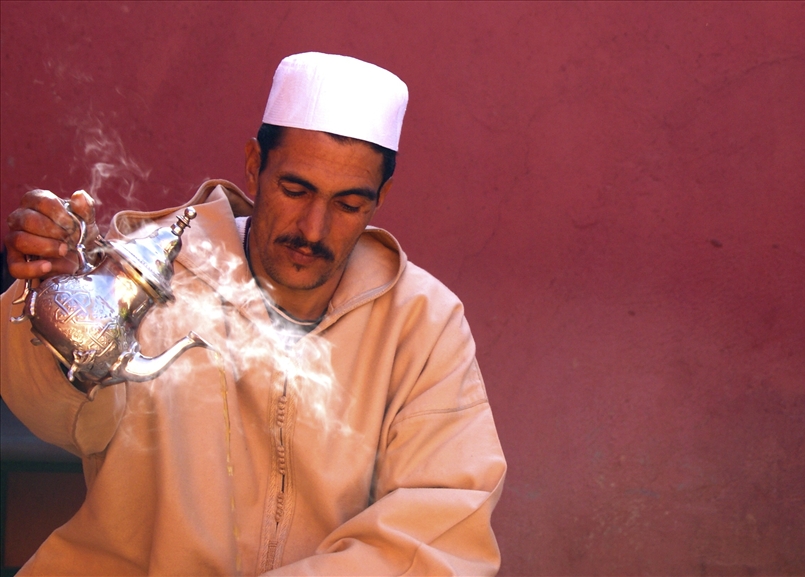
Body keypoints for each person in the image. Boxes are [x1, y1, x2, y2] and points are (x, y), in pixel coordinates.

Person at [1, 52, 506, 575]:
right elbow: (57, 416)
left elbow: (439, 534)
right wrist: (54, 297)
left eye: (348, 205)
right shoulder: (153, 273)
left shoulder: (421, 326)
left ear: (381, 197)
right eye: (295, 190)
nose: (313, 229)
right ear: (253, 164)